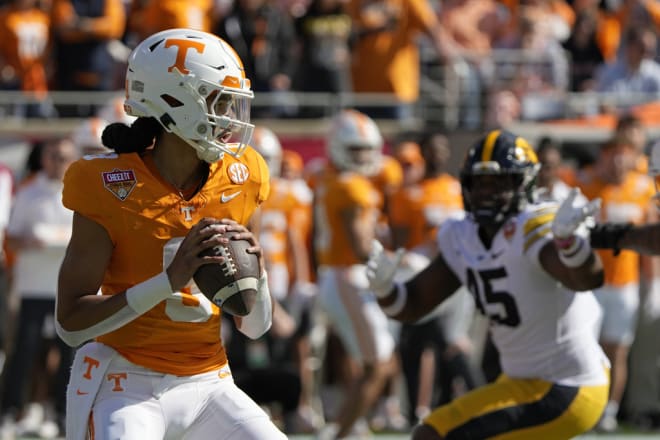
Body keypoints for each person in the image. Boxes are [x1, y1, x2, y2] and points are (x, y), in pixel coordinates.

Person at [55, 28, 287, 440]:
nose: (231, 117)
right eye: (219, 101)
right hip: (125, 382)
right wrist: (168, 282)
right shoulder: (108, 182)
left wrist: (260, 276)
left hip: (209, 380)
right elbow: (71, 324)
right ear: (174, 101)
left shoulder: (242, 174)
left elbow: (254, 328)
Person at [366, 129, 610, 439]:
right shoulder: (461, 235)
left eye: (498, 183)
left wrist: (570, 246)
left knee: (434, 435)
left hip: (568, 383)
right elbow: (411, 305)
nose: (486, 192)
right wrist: (385, 290)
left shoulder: (534, 227)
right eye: (479, 183)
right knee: (433, 429)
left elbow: (584, 278)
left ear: (524, 183)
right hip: (519, 381)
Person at [313, 109, 399, 439]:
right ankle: (341, 432)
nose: (364, 156)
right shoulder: (352, 188)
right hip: (347, 275)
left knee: (374, 363)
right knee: (378, 365)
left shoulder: (334, 180)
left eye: (367, 148)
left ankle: (345, 428)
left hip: (339, 276)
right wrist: (395, 262)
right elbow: (362, 246)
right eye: (356, 150)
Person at [1, 137, 79, 439]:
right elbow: (11, 238)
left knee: (69, 356)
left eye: (63, 157)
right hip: (33, 287)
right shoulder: (28, 193)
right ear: (44, 158)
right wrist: (31, 243)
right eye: (52, 156)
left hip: (69, 289)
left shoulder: (82, 193)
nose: (57, 162)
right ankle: (11, 412)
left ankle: (62, 416)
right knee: (24, 351)